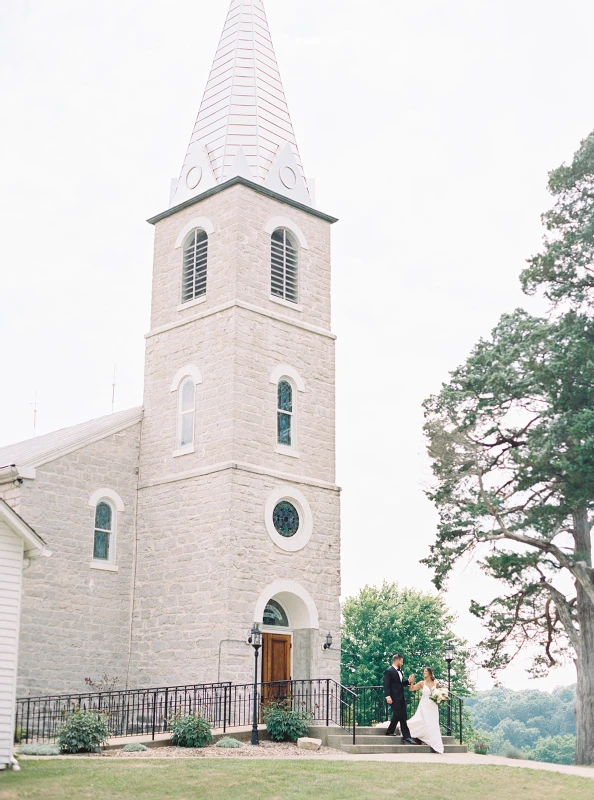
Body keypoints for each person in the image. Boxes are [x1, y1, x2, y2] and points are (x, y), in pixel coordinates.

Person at [407, 667, 445, 753]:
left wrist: (440, 698)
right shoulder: (421, 683)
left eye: (426, 671)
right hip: (424, 705)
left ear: (430, 673)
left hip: (433, 705)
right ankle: (424, 739)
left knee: (433, 723)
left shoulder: (436, 683)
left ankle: (433, 741)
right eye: (424, 671)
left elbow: (440, 694)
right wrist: (412, 682)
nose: (424, 673)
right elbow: (411, 689)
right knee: (425, 721)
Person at [382, 654, 416, 743]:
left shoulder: (400, 671)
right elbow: (386, 685)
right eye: (401, 661)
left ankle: (406, 736)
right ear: (397, 661)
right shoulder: (388, 671)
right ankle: (390, 731)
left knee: (403, 715)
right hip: (393, 697)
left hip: (401, 696)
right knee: (398, 714)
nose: (402, 663)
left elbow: (399, 684)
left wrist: (408, 681)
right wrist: (388, 696)